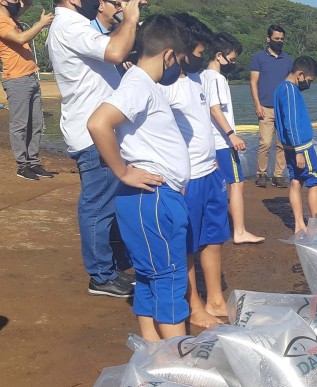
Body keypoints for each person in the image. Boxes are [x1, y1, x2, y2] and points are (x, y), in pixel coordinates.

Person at [87, 14, 191, 341]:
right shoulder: (139, 85)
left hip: (155, 198)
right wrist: (122, 170)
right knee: (170, 280)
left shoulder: (144, 85)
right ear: (169, 54)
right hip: (152, 198)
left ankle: (154, 352)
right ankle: (179, 360)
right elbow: (98, 123)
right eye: (180, 59)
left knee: (150, 277)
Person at [47, 0, 141, 297]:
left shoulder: (72, 25)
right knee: (97, 205)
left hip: (93, 129)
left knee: (105, 203)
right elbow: (115, 52)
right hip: (92, 134)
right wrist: (132, 16)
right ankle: (101, 276)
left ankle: (109, 268)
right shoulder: (70, 25)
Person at [162, 14, 230, 329]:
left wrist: (213, 158)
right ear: (180, 50)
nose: (201, 59)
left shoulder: (197, 79)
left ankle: (215, 298)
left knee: (213, 237)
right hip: (186, 178)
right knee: (187, 245)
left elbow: (201, 124)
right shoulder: (166, 85)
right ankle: (195, 304)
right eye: (199, 53)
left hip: (209, 169)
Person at [202, 32, 264, 245]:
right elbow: (215, 109)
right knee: (236, 183)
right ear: (219, 55)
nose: (233, 63)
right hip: (222, 142)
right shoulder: (217, 78)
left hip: (210, 141)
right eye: (233, 58)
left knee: (214, 186)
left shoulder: (202, 76)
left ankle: (215, 227)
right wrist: (231, 134)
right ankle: (239, 230)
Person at [0, 0, 54, 181]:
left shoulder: (12, 18)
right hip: (16, 79)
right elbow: (20, 38)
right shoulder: (0, 21)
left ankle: (33, 162)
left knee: (36, 123)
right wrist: (41, 23)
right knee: (20, 125)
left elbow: (28, 3)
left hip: (30, 76)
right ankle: (22, 166)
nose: (17, 2)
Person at [273, 55, 317, 234]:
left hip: (288, 146)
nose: (307, 84)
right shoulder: (291, 90)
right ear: (300, 74)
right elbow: (291, 122)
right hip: (301, 146)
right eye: (308, 80)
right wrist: (299, 151)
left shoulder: (279, 89)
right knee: (314, 182)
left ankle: (299, 224)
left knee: (296, 181)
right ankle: (316, 224)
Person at [250, 24, 292, 188]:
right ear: (268, 39)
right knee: (265, 142)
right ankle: (261, 174)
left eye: (281, 39)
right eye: (276, 39)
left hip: (283, 107)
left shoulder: (288, 60)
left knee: (282, 143)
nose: (279, 41)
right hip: (265, 106)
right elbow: (253, 82)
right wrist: (257, 104)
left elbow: (291, 83)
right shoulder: (259, 57)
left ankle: (278, 175)